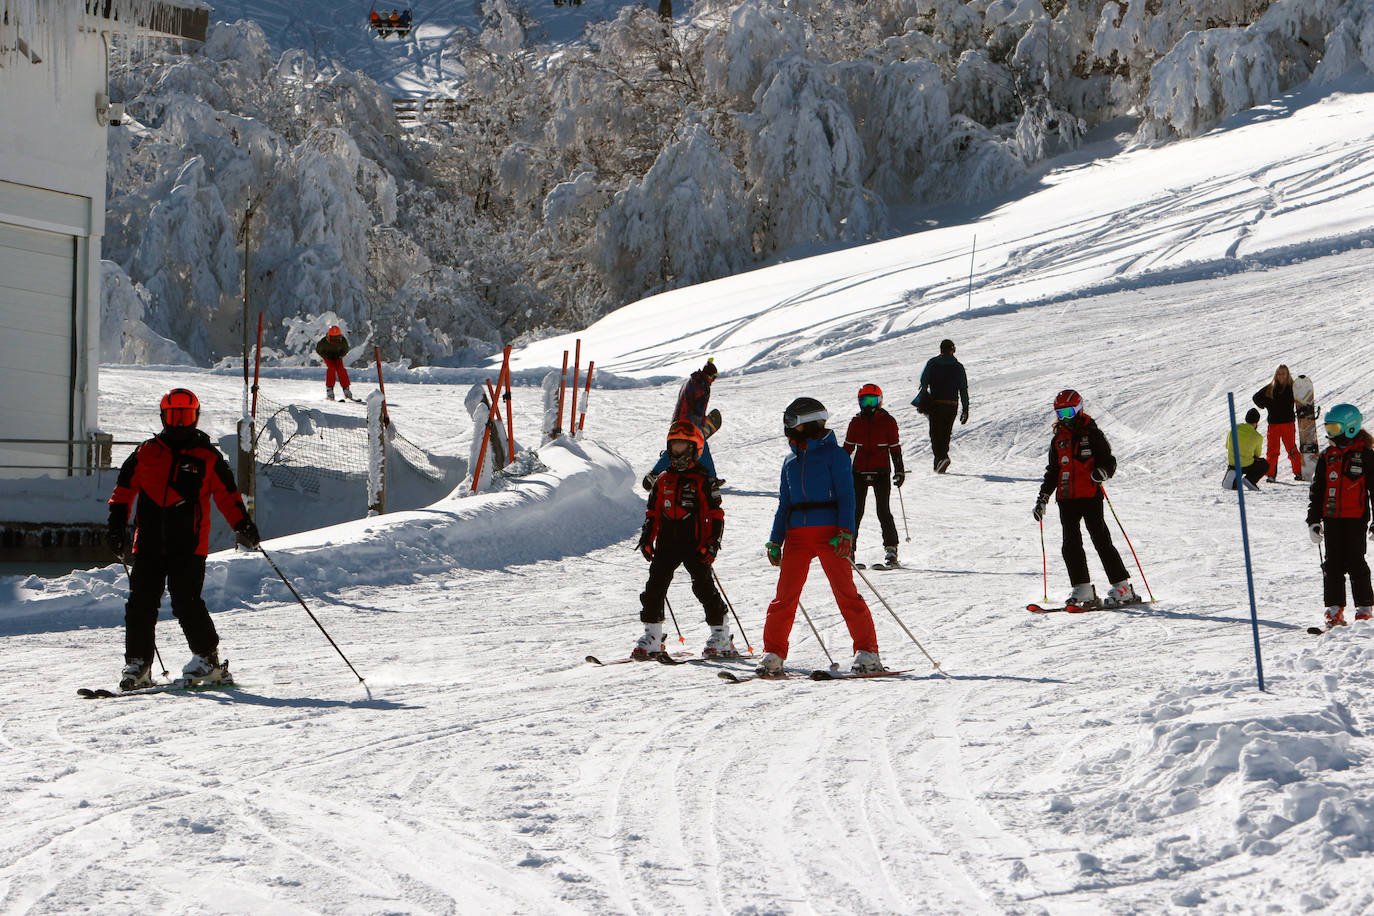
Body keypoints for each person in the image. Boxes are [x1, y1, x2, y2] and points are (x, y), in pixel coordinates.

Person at [106, 389, 261, 691]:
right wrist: (115, 528)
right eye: (174, 416)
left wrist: (242, 524)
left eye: (186, 417)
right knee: (140, 604)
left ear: (196, 418)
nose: (179, 424)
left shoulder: (207, 457)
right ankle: (138, 663)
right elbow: (122, 494)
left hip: (188, 545)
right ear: (164, 417)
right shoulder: (145, 452)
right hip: (148, 543)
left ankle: (208, 659)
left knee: (186, 602)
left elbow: (227, 496)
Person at [757, 397, 882, 676]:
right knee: (784, 597)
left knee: (845, 592)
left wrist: (846, 532)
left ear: (807, 422)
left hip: (830, 534)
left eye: (791, 421)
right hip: (797, 536)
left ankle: (868, 652)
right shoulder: (790, 461)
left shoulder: (835, 455)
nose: (787, 427)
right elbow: (784, 503)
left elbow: (847, 498)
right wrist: (775, 540)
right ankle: (773, 653)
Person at [633, 422, 735, 658]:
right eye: (673, 446)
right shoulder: (663, 479)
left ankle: (721, 635)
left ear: (693, 448)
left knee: (703, 587)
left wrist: (712, 543)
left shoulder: (703, 479)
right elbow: (653, 513)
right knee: (654, 588)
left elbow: (716, 515)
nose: (677, 451)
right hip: (667, 543)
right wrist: (648, 537)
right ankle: (653, 636)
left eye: (682, 446)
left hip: (695, 543)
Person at [1032, 389, 1139, 609]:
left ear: (1079, 409)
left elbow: (1109, 461)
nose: (1066, 418)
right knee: (1070, 544)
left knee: (1101, 539)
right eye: (1061, 414)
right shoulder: (1058, 440)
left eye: (1070, 412)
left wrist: (1102, 472)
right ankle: (1082, 587)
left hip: (1090, 495)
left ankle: (1122, 586)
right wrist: (1043, 497)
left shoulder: (1092, 434)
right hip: (1066, 497)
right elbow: (1053, 471)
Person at [1305, 403, 1374, 629]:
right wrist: (1313, 521)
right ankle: (1334, 611)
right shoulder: (1327, 456)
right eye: (1329, 428)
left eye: (1334, 428)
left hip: (1356, 518)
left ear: (1351, 428)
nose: (1330, 434)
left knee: (1356, 561)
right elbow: (1317, 490)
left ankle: (1364, 610)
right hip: (1331, 518)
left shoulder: (1365, 456)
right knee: (1332, 564)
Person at [843, 383, 906, 567]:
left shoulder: (888, 421)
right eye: (865, 401)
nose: (869, 405)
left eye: (873, 401)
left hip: (881, 471)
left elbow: (894, 448)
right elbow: (847, 448)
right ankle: (849, 550)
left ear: (880, 401)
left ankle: (891, 549)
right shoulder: (856, 422)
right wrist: (835, 467)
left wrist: (899, 469)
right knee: (855, 512)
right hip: (859, 472)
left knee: (883, 511)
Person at [644, 358, 719, 488]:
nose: (713, 381)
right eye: (714, 377)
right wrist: (700, 425)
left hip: (678, 420)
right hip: (690, 423)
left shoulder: (691, 381)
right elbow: (698, 407)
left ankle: (654, 474)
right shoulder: (703, 384)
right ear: (710, 375)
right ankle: (711, 478)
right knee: (701, 448)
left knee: (677, 447)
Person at [913, 339, 968, 473]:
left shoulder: (932, 363)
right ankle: (939, 463)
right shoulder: (958, 366)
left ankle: (942, 458)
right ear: (952, 350)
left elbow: (923, 382)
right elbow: (963, 389)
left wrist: (922, 399)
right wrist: (965, 409)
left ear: (941, 350)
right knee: (945, 433)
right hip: (952, 405)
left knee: (935, 433)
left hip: (936, 403)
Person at [1253, 364, 1301, 481]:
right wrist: (1266, 405)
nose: (1281, 376)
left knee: (1291, 449)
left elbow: (1302, 399)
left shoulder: (1292, 387)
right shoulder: (1270, 388)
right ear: (1276, 375)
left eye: (1283, 373)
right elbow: (1256, 397)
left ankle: (1299, 472)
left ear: (1287, 374)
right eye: (1279, 373)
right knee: (1272, 450)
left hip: (1288, 424)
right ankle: (1271, 474)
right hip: (1274, 425)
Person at [1223, 408, 1269, 490]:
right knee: (1264, 464)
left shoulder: (1234, 429)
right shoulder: (1257, 436)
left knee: (1234, 486)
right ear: (1256, 422)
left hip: (1233, 463)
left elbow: (1227, 446)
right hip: (1247, 465)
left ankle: (1233, 475)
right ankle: (1250, 480)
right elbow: (1257, 454)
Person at [315, 325, 353, 401]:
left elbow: (345, 350)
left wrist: (340, 355)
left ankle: (346, 389)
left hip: (337, 357)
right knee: (331, 368)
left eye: (337, 337)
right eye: (333, 338)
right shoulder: (323, 342)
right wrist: (326, 356)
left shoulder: (343, 341)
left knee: (341, 369)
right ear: (329, 337)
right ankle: (329, 389)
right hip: (328, 357)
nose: (335, 340)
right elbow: (318, 350)